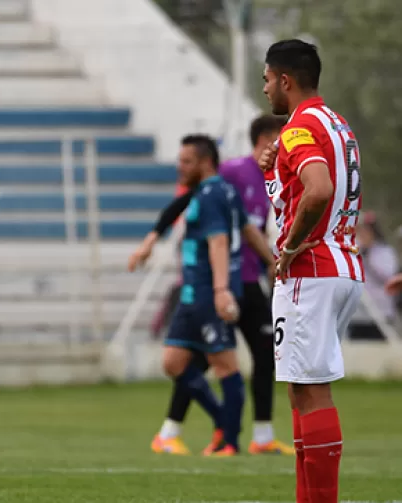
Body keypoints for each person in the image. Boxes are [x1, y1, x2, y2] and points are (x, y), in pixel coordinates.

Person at [131, 115, 294, 455]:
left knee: (232, 362)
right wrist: (151, 239)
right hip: (200, 289)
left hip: (216, 288)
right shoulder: (226, 180)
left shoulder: (219, 191)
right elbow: (236, 225)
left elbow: (229, 237)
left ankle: (233, 438)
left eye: (186, 161)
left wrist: (261, 267)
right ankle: (217, 424)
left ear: (204, 163)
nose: (180, 167)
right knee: (178, 361)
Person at [258, 39, 365, 503]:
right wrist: (272, 168)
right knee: (302, 389)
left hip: (311, 268)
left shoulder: (300, 127)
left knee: (312, 391)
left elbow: (317, 189)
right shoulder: (336, 123)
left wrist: (290, 246)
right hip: (343, 264)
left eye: (266, 79)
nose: (263, 89)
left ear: (285, 79)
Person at [347, 212, 397, 340]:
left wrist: (367, 256)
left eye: (366, 230)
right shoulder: (353, 250)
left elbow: (387, 277)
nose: (363, 234)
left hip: (381, 313)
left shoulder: (385, 252)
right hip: (359, 315)